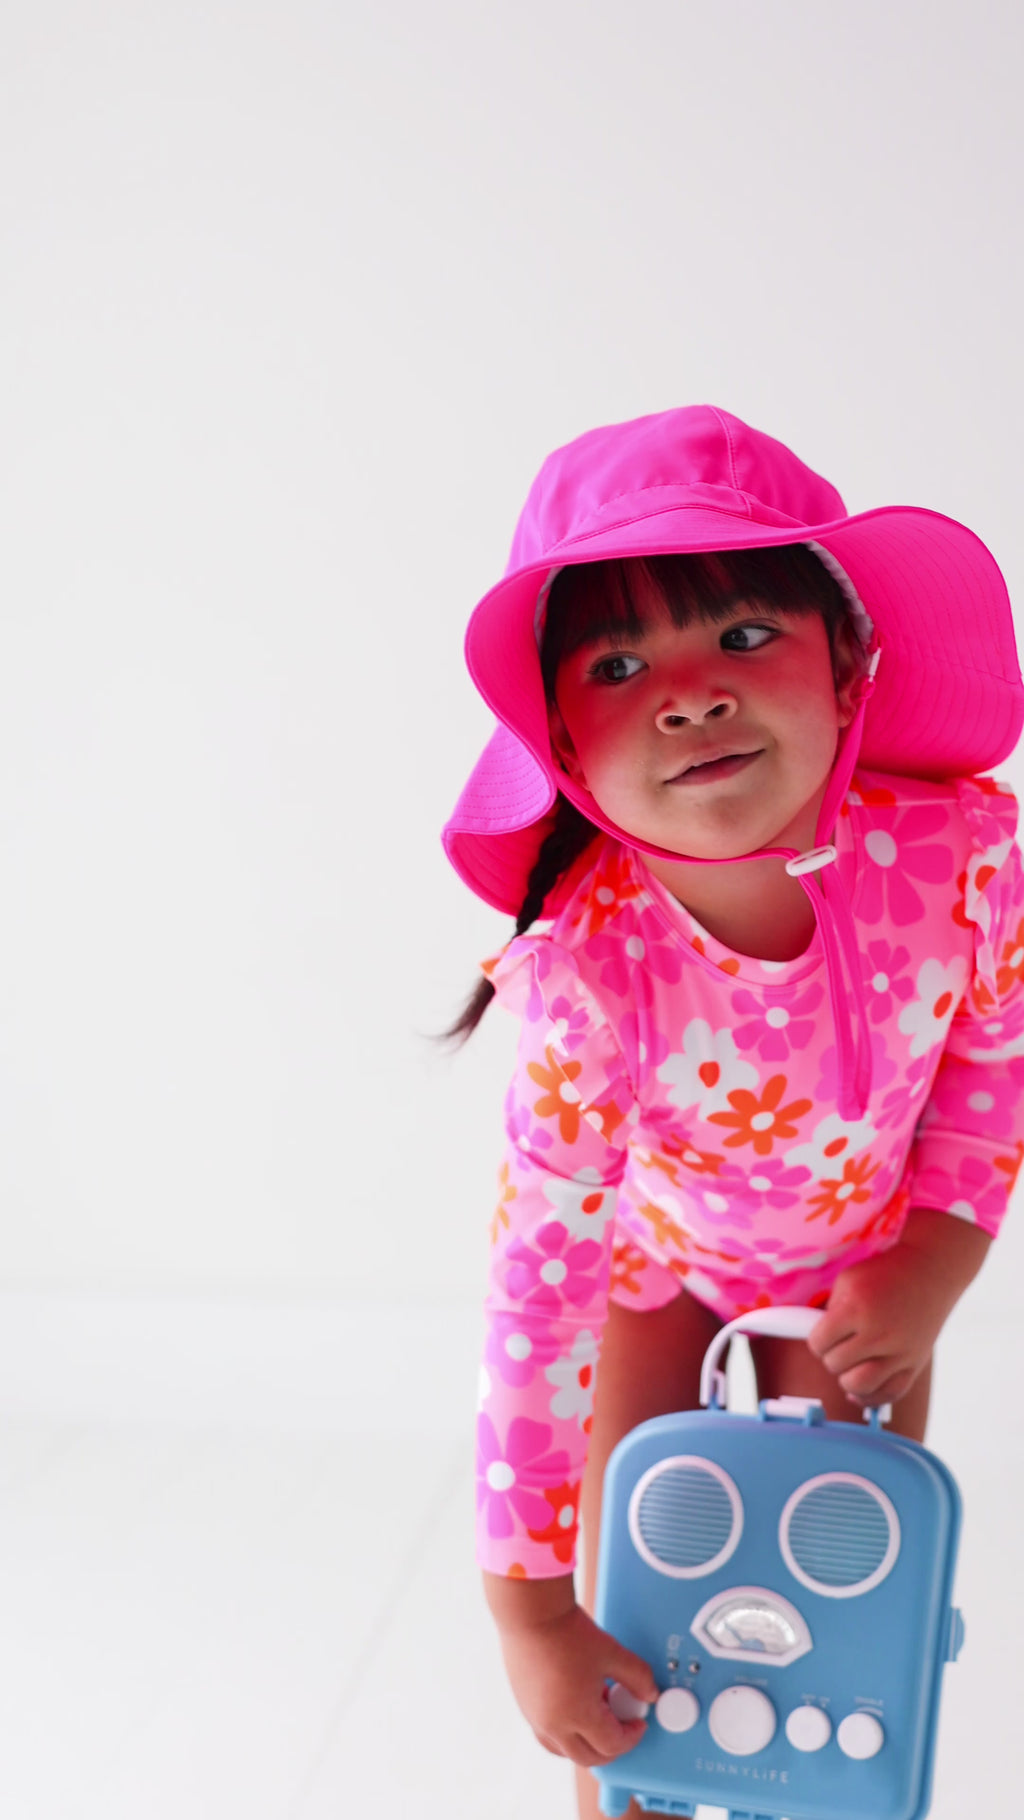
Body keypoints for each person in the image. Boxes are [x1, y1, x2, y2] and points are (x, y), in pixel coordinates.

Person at [442, 405, 1024, 1820]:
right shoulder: (590, 979)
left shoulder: (967, 861)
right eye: (621, 664)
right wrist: (531, 1621)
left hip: (860, 1278)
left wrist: (938, 1258)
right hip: (658, 1278)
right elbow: (539, 1305)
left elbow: (991, 1068)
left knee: (844, 1619)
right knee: (637, 1637)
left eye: (745, 637)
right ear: (567, 752)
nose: (691, 695)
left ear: (852, 670)